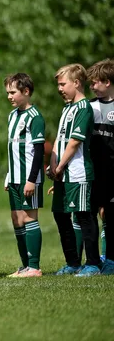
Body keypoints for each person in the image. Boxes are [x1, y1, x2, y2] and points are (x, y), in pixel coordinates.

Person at [48, 63, 99, 277]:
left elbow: (74, 143)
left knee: (84, 215)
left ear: (77, 83)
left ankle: (94, 263)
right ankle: (72, 262)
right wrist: (53, 168)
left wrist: (59, 166)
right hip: (62, 174)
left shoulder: (83, 108)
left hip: (77, 172)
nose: (59, 88)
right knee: (60, 215)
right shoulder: (66, 108)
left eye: (63, 84)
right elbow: (60, 141)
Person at [2, 73, 45, 277]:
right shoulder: (12, 116)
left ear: (26, 92)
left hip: (29, 178)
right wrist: (9, 175)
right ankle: (25, 266)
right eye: (8, 93)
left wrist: (31, 179)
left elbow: (38, 152)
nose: (9, 96)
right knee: (17, 219)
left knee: (29, 218)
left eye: (13, 92)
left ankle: (34, 267)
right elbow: (13, 151)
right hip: (15, 178)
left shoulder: (35, 117)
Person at [87, 59, 114, 274]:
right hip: (93, 170)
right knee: (89, 214)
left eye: (95, 83)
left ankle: (110, 260)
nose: (92, 87)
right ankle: (93, 260)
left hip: (112, 172)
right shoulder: (89, 107)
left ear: (107, 82)